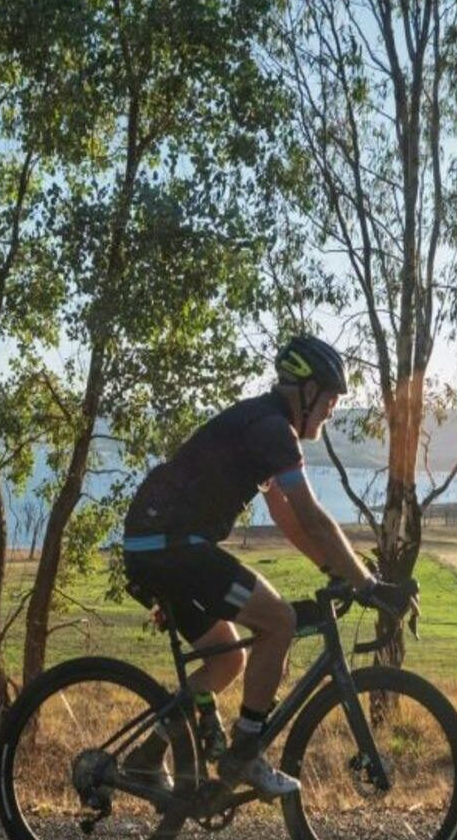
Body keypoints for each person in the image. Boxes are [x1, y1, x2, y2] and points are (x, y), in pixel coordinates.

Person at [121, 335, 416, 799]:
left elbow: (287, 515)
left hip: (157, 545)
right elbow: (312, 514)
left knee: (228, 658)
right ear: (305, 390)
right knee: (279, 621)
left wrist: (335, 571)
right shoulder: (271, 429)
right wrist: (368, 582)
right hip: (172, 546)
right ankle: (245, 752)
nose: (332, 410)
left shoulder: (263, 424)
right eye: (331, 398)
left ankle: (146, 757)